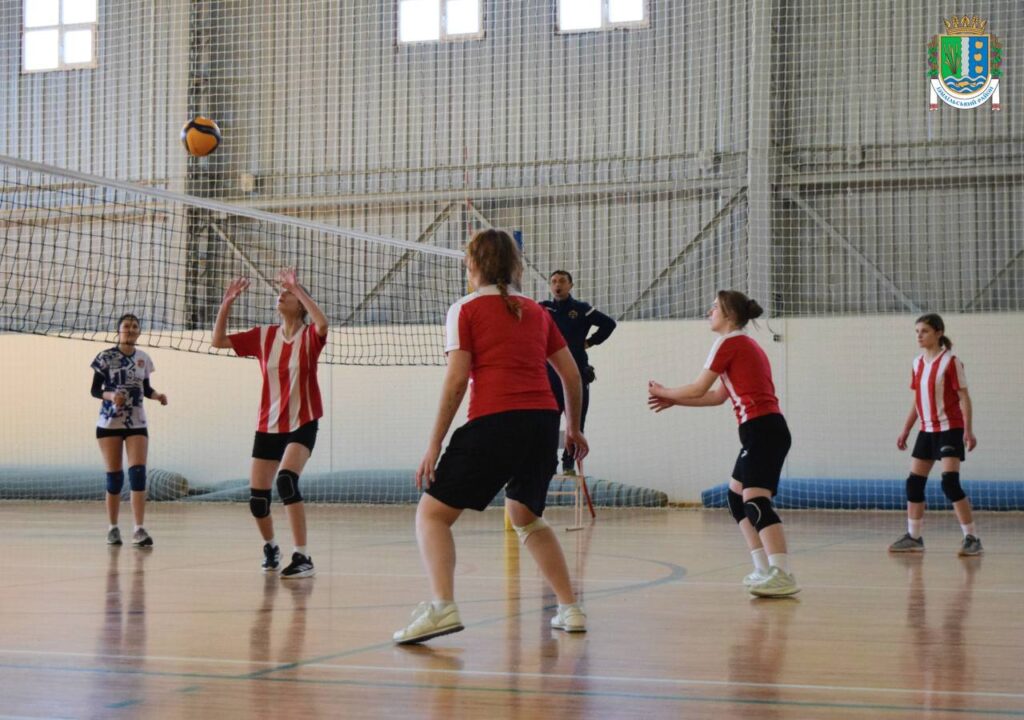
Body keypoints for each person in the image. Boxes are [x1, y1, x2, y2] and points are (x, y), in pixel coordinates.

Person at [393, 229, 590, 644]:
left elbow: (456, 380)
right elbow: (571, 375)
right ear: (514, 266)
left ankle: (442, 607)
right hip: (542, 424)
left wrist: (434, 444)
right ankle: (570, 608)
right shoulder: (537, 311)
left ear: (472, 264)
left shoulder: (464, 309)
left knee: (431, 515)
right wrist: (573, 428)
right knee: (526, 516)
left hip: (495, 421)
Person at [648, 290, 799, 597]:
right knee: (735, 498)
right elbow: (717, 396)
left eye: (714, 307)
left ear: (729, 314)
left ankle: (782, 573)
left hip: (763, 430)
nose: (709, 312)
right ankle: (763, 569)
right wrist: (675, 401)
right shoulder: (745, 345)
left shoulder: (729, 342)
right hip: (761, 430)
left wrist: (665, 391)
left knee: (755, 500)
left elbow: (697, 387)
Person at [211, 268, 329, 578]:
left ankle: (302, 556)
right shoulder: (263, 336)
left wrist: (297, 287)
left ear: (300, 304)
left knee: (286, 481)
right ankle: (271, 547)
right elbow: (217, 340)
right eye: (282, 292)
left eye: (287, 294)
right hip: (268, 425)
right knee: (258, 501)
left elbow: (322, 324)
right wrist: (226, 303)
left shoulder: (309, 337)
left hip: (303, 421)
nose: (281, 295)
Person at [889, 314, 982, 556]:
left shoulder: (951, 362)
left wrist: (968, 430)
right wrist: (906, 429)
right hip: (927, 430)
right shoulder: (917, 363)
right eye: (917, 331)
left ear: (939, 333)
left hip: (950, 429)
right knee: (913, 483)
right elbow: (918, 400)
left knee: (949, 483)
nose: (919, 336)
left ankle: (972, 538)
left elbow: (964, 397)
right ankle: (914, 537)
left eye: (925, 331)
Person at [91, 313, 168, 547]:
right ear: (119, 330)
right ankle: (113, 528)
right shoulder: (105, 357)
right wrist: (111, 396)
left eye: (135, 326)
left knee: (138, 474)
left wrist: (157, 395)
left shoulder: (143, 358)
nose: (131, 329)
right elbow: (94, 390)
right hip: (109, 423)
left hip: (137, 422)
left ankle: (139, 529)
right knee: (115, 478)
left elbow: (146, 388)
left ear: (139, 332)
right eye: (127, 326)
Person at [540, 270, 616, 474]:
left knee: (576, 421)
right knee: (548, 420)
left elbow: (609, 324)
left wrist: (590, 342)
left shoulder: (581, 309)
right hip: (549, 374)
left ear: (570, 285)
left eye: (562, 281)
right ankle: (548, 464)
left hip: (577, 372)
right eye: (554, 281)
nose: (558, 285)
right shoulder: (543, 308)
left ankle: (568, 465)